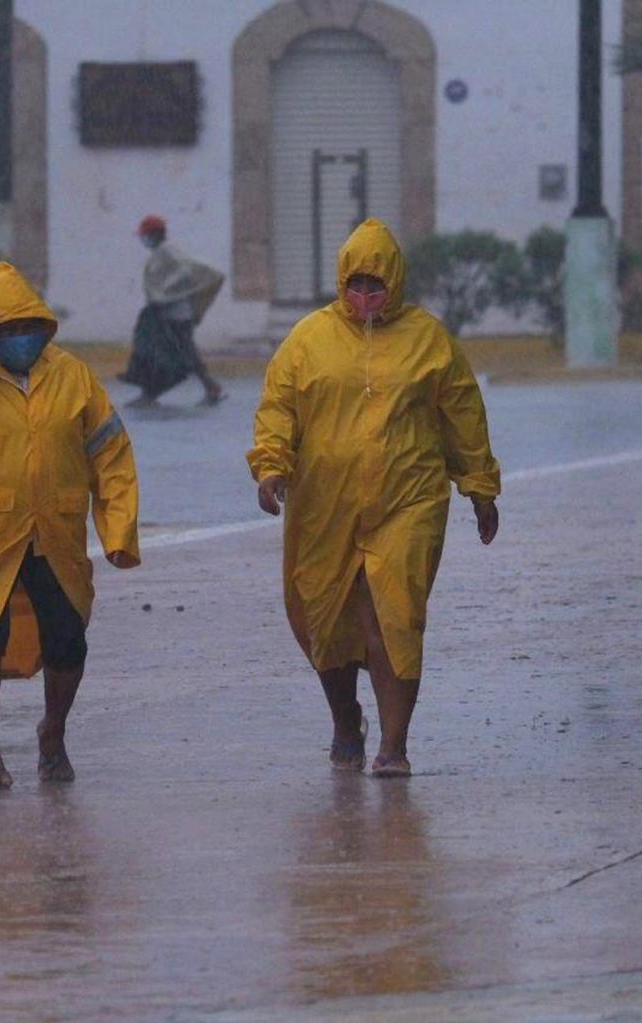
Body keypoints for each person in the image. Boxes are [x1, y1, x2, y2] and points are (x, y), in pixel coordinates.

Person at [247, 219, 501, 779]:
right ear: (342, 282)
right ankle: (345, 719)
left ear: (396, 282)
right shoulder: (307, 340)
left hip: (407, 501)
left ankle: (394, 744)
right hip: (324, 504)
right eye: (356, 283)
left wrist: (480, 487)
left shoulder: (429, 340)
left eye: (376, 284)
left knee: (394, 617)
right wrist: (271, 468)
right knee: (324, 620)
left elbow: (463, 414)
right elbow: (278, 409)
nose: (366, 296)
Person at [0, 261, 140, 789]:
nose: (20, 340)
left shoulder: (72, 375)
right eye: (7, 331)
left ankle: (53, 732)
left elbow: (110, 451)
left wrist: (119, 529)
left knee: (68, 640)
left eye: (27, 328)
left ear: (43, 323)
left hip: (55, 533)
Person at [119, 213, 227, 407]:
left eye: (145, 235)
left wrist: (166, 294)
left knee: (164, 353)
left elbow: (184, 274)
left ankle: (150, 395)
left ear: (153, 234)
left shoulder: (168, 252)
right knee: (180, 352)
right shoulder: (163, 252)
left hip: (174, 315)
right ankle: (209, 387)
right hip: (170, 313)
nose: (143, 240)